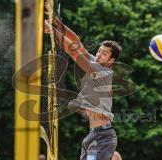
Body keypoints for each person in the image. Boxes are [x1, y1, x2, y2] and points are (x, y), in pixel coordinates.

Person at [45, 18, 122, 160]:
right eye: (99, 50)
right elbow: (77, 44)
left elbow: (74, 53)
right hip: (93, 135)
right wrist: (58, 24)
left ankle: (115, 157)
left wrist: (53, 31)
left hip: (103, 136)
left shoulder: (102, 72)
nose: (99, 54)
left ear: (111, 61)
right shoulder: (96, 62)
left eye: (104, 54)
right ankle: (115, 157)